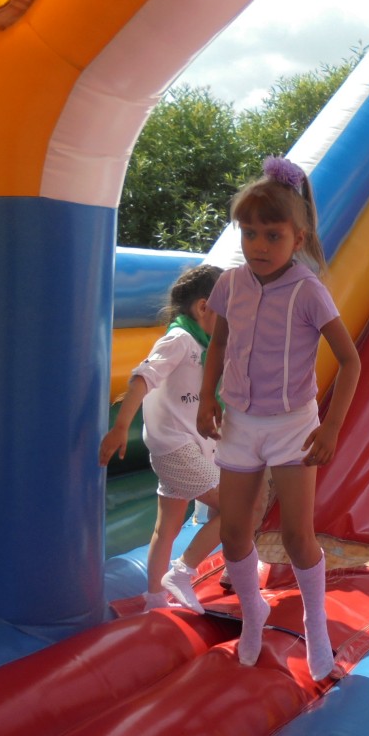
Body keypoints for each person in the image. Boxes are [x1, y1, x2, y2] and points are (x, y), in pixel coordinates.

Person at [197, 156, 361, 681]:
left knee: (296, 535)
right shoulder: (230, 284)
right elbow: (218, 343)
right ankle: (254, 612)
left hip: (292, 426)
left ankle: (315, 623)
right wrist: (207, 398)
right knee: (234, 533)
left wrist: (330, 427)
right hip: (241, 422)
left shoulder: (307, 290)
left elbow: (351, 360)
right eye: (249, 233)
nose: (259, 246)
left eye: (273, 235)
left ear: (298, 237)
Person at [100, 263, 224, 614]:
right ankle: (181, 573)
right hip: (176, 447)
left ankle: (154, 597)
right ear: (203, 307)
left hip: (186, 446)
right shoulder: (179, 340)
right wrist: (120, 427)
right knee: (237, 509)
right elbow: (143, 377)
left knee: (166, 528)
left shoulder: (204, 344)